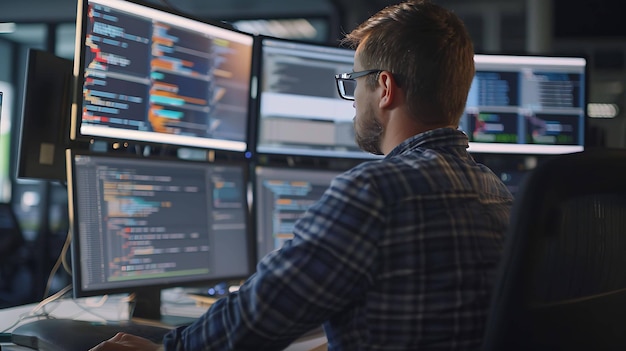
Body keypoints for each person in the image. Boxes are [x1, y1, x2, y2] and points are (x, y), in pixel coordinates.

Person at [90, 0, 513, 350]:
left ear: (384, 88)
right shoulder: (496, 193)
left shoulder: (375, 192)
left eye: (355, 83)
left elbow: (259, 316)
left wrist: (170, 349)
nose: (352, 102)